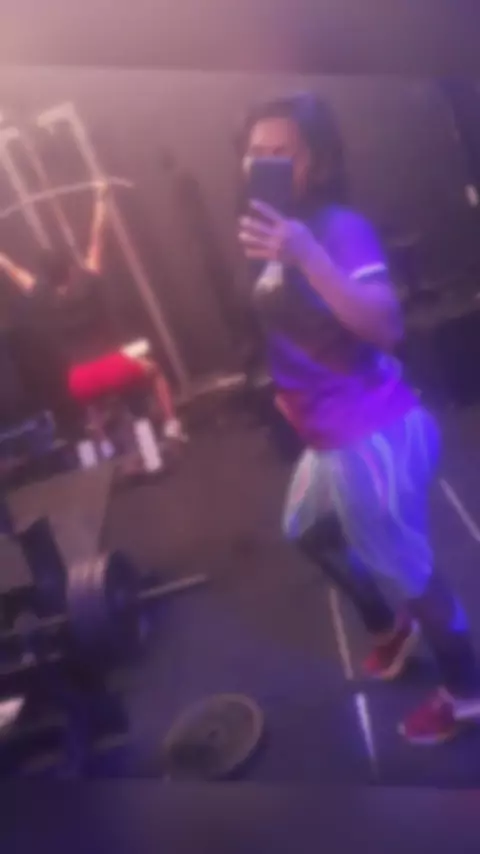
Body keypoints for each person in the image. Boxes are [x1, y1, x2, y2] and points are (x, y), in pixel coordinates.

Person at [237, 92, 480, 745]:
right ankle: (391, 628)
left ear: (316, 161)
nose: (263, 163)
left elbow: (385, 326)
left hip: (370, 437)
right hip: (326, 436)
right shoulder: (274, 231)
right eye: (255, 152)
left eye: (282, 153)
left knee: (413, 574)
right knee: (306, 531)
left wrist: (309, 257)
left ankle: (466, 692)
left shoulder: (335, 229)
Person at [0, 180, 186, 447]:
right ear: (69, 268)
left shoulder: (41, 296)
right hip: (112, 365)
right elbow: (97, 237)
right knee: (154, 372)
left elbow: (11, 269)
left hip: (80, 379)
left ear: (45, 276)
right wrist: (101, 197)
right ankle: (172, 426)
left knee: (91, 404)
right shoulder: (86, 281)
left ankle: (104, 448)